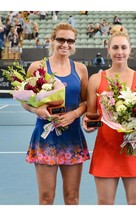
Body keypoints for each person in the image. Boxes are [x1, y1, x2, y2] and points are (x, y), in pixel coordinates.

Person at [82, 25, 136, 205]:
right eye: (115, 47)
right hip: (106, 149)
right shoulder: (96, 80)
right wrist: (88, 125)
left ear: (130, 50)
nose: (119, 52)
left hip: (135, 150)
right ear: (108, 50)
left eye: (123, 47)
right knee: (105, 205)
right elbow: (92, 117)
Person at [22, 23, 90, 205]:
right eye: (61, 39)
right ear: (52, 40)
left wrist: (74, 114)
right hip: (46, 138)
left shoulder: (81, 69)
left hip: (72, 137)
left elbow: (86, 102)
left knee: (72, 198)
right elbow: (25, 101)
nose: (65, 44)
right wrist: (37, 110)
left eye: (70, 41)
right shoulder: (37, 67)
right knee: (46, 199)